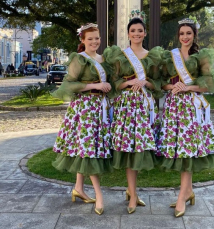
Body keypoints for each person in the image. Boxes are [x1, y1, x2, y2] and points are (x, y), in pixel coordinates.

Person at [156, 17, 214, 217]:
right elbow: (162, 83)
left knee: (188, 151)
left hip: (191, 109)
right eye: (181, 34)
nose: (185, 37)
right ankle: (187, 192)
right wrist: (174, 86)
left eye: (188, 33)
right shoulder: (170, 56)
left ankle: (182, 196)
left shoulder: (201, 56)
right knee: (180, 150)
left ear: (194, 34)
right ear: (177, 36)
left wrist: (187, 86)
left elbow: (207, 86)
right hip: (173, 108)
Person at [52, 23, 113, 216]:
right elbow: (69, 84)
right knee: (89, 151)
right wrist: (95, 85)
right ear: (83, 40)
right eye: (90, 39)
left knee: (86, 148)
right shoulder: (79, 59)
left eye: (97, 38)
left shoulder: (104, 59)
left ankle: (79, 188)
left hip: (100, 109)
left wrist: (107, 86)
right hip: (85, 109)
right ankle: (99, 195)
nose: (95, 41)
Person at [105, 11, 163, 214]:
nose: (136, 33)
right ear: (128, 34)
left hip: (144, 107)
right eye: (133, 31)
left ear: (145, 33)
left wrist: (145, 81)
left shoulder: (152, 56)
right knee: (128, 149)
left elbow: (158, 84)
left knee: (139, 149)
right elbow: (114, 83)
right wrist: (129, 82)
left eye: (140, 30)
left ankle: (132, 192)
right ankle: (132, 193)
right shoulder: (120, 56)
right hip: (126, 107)